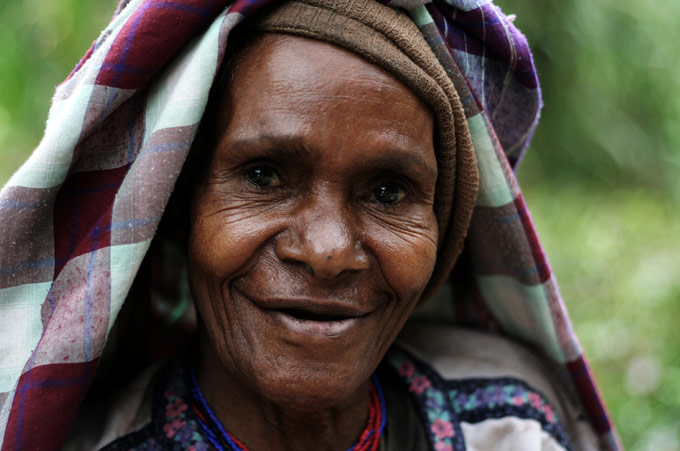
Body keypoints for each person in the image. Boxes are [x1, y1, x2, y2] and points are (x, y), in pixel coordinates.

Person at [0, 0, 621, 450]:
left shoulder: (509, 428)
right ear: (178, 207)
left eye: (387, 191)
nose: (327, 252)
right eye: (265, 176)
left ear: (444, 228)